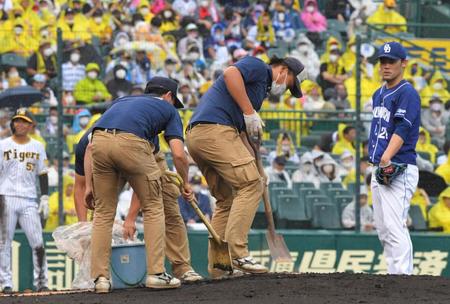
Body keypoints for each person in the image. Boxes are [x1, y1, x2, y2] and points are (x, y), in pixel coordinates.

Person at [186, 55, 304, 277]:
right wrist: (250, 112)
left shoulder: (259, 92)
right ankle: (238, 252)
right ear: (284, 70)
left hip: (199, 136)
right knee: (251, 185)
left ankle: (220, 268)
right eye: (290, 83)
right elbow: (231, 73)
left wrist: (258, 168)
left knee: (226, 200)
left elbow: (241, 134)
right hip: (216, 131)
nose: (286, 89)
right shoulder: (259, 67)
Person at [87, 77, 194, 292]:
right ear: (168, 96)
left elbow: (90, 143)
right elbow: (179, 154)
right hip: (132, 143)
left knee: (103, 213)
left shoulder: (121, 101)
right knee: (154, 206)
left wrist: (90, 186)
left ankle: (100, 279)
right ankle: (156, 273)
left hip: (98, 142)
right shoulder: (168, 109)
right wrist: (185, 183)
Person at [369, 42, 421, 275]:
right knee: (382, 228)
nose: (386, 65)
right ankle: (393, 277)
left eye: (391, 61)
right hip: (380, 167)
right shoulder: (378, 93)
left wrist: (386, 158)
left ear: (403, 63)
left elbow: (403, 129)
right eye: (383, 61)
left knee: (394, 225)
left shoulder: (407, 92)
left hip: (398, 166)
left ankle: (402, 278)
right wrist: (379, 161)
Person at [0, 108, 49, 293]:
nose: (19, 124)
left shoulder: (38, 146)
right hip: (6, 197)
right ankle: (6, 283)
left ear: (31, 125)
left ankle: (42, 282)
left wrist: (44, 196)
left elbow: (43, 173)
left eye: (24, 121)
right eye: (17, 120)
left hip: (29, 199)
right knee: (4, 242)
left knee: (38, 242)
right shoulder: (3, 145)